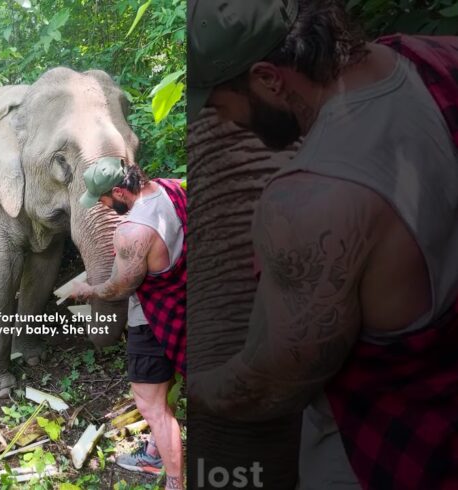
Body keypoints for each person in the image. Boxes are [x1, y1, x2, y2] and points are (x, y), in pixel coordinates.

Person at [187, 0, 458, 488]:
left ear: (269, 78)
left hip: (390, 450)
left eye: (217, 103)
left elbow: (270, 386)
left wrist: (194, 388)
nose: (223, 120)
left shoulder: (310, 200)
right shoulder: (436, 57)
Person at [69, 157, 186, 490]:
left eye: (104, 200)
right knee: (163, 392)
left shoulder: (133, 231)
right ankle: (155, 451)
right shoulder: (171, 189)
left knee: (150, 404)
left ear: (119, 191)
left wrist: (87, 290)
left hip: (153, 320)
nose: (103, 207)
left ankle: (174, 483)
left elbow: (120, 287)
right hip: (182, 307)